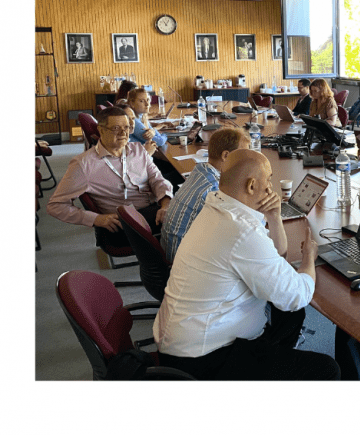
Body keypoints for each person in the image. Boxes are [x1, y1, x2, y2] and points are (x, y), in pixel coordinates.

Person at [153, 149, 340, 380]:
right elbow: (297, 295)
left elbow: (276, 256)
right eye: (268, 180)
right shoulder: (241, 231)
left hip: (185, 340)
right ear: (251, 186)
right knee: (327, 369)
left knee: (289, 316)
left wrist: (274, 217)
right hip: (202, 360)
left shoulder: (218, 208)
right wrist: (309, 258)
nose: (270, 187)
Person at [47, 106, 173, 246]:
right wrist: (96, 219)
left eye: (127, 127)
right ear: (101, 130)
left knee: (186, 204)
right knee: (185, 219)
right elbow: (55, 206)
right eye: (116, 128)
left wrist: (166, 205)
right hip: (123, 223)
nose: (123, 133)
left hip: (154, 209)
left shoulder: (138, 150)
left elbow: (157, 180)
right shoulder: (83, 164)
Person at [160, 127, 251, 262]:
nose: (248, 160)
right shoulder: (214, 190)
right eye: (244, 155)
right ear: (226, 156)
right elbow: (241, 229)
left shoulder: (201, 171)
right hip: (183, 262)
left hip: (174, 250)